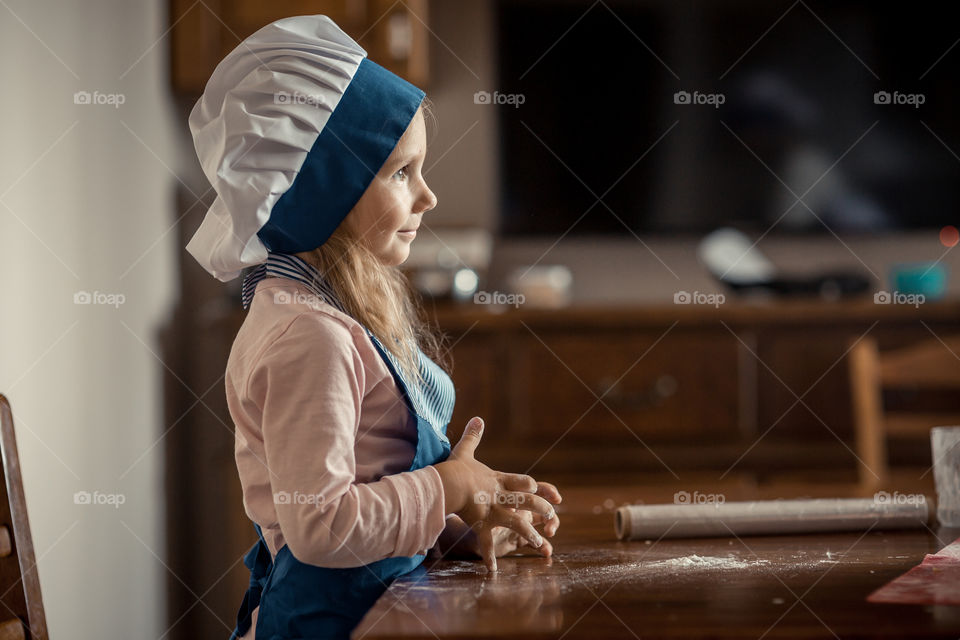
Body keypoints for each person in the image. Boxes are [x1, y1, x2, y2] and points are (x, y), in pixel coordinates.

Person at [184, 14, 563, 639]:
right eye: (400, 172)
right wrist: (449, 484)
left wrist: (461, 524)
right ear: (326, 190)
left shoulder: (329, 315)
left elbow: (372, 483)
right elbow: (323, 525)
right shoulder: (310, 338)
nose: (428, 197)